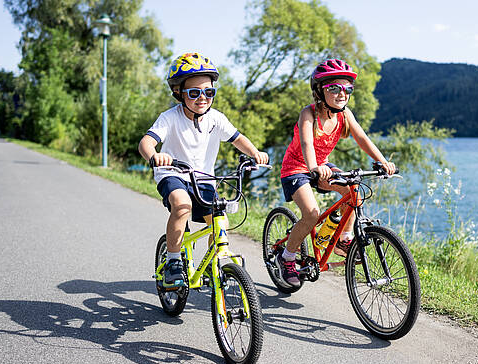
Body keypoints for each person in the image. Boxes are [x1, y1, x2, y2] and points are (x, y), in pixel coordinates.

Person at [138, 52, 269, 289]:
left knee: (221, 222)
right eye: (194, 92)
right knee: (182, 205)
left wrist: (254, 152)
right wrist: (155, 155)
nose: (203, 98)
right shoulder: (169, 118)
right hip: (173, 174)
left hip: (203, 180)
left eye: (209, 92)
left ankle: (213, 263)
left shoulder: (216, 119)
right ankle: (173, 261)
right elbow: (146, 142)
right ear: (179, 92)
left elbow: (238, 138)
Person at [277, 59, 396, 287]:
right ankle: (288, 258)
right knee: (311, 213)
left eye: (347, 88)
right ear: (320, 91)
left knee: (354, 194)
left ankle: (344, 239)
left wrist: (382, 161)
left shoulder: (344, 114)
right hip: (297, 169)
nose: (342, 93)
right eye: (334, 88)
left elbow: (362, 138)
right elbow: (306, 143)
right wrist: (314, 168)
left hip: (322, 166)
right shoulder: (308, 114)